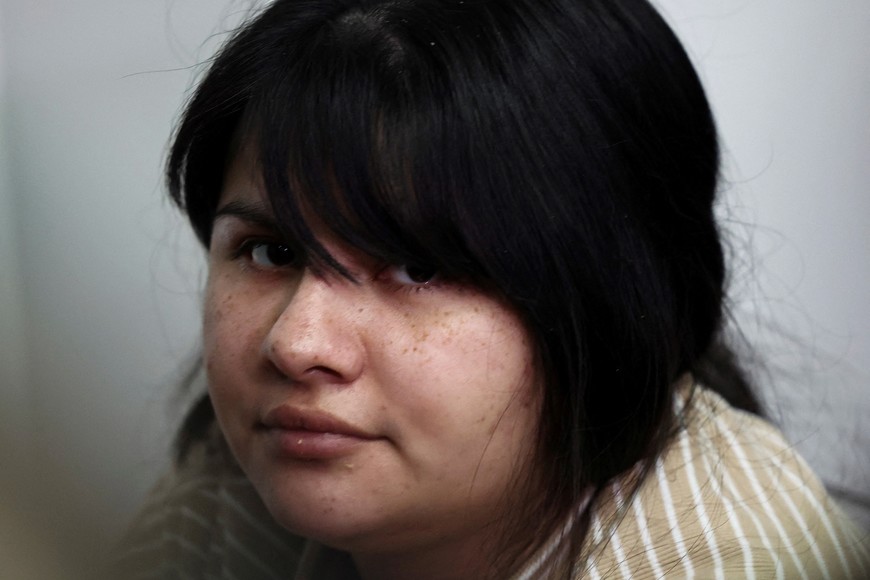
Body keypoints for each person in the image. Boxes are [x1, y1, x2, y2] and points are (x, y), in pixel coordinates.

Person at [110, 0, 869, 578]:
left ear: (610, 307)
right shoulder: (236, 491)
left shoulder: (727, 559)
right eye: (270, 250)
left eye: (418, 267)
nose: (296, 344)